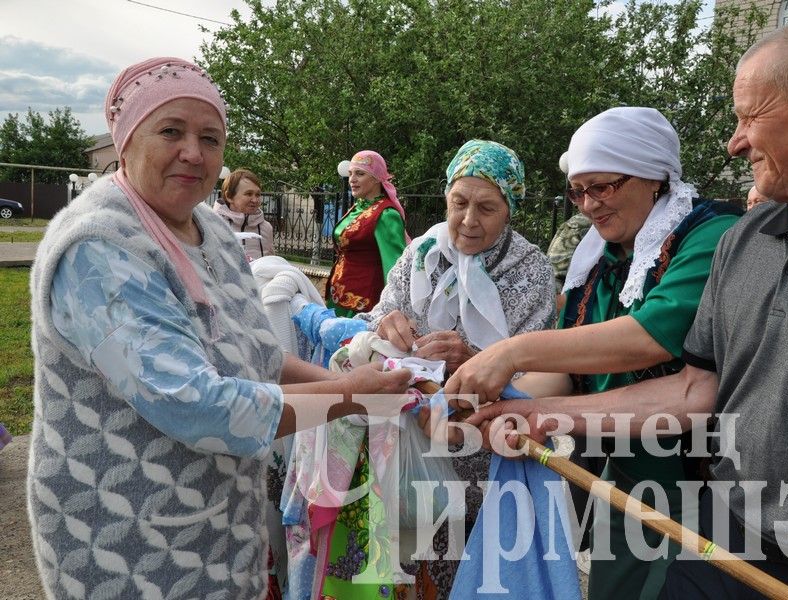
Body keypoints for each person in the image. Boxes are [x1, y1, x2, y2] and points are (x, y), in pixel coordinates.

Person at [465, 12, 788, 599]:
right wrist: (544, 417)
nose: (735, 140)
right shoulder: (746, 241)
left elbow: (646, 337)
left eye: (752, 115)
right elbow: (694, 392)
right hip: (716, 547)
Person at [27, 56, 411, 600]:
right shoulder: (99, 247)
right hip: (129, 540)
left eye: (210, 137)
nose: (193, 152)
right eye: (171, 131)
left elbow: (256, 353)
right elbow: (194, 402)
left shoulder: (209, 228)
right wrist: (351, 395)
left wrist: (352, 372)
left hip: (218, 525)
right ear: (127, 138)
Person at [443, 108, 742, 598]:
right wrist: (487, 406)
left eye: (601, 187)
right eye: (577, 191)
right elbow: (567, 373)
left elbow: (648, 336)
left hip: (698, 482)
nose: (587, 205)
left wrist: (512, 354)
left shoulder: (709, 236)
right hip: (622, 479)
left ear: (652, 177)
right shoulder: (603, 262)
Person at [283, 139, 557, 600]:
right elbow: (375, 321)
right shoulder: (421, 254)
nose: (469, 221)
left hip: (476, 452)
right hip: (398, 451)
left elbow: (537, 376)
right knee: (394, 570)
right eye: (459, 203)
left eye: (487, 208)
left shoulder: (531, 272)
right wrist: (385, 324)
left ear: (511, 208)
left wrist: (473, 359)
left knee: (459, 569)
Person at [327, 151, 408, 317]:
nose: (352, 179)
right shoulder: (358, 208)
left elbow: (394, 268)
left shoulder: (386, 215)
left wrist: (392, 312)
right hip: (338, 297)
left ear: (377, 177)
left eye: (360, 173)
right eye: (350, 174)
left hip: (362, 303)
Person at [214, 167, 274, 260]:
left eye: (258, 194)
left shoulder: (266, 228)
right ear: (229, 196)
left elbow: (271, 262)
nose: (255, 200)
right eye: (249, 194)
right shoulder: (212, 224)